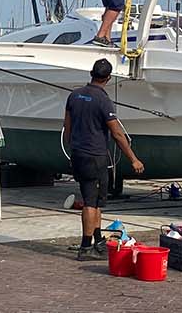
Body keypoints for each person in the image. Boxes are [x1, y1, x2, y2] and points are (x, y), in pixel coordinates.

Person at [62, 58, 145, 260]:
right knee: (91, 202)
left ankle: (98, 240)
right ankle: (85, 246)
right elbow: (117, 134)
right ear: (108, 78)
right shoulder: (103, 100)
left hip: (79, 155)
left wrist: (73, 150)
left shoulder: (74, 95)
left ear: (91, 73)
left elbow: (67, 127)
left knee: (98, 201)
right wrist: (133, 159)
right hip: (96, 156)